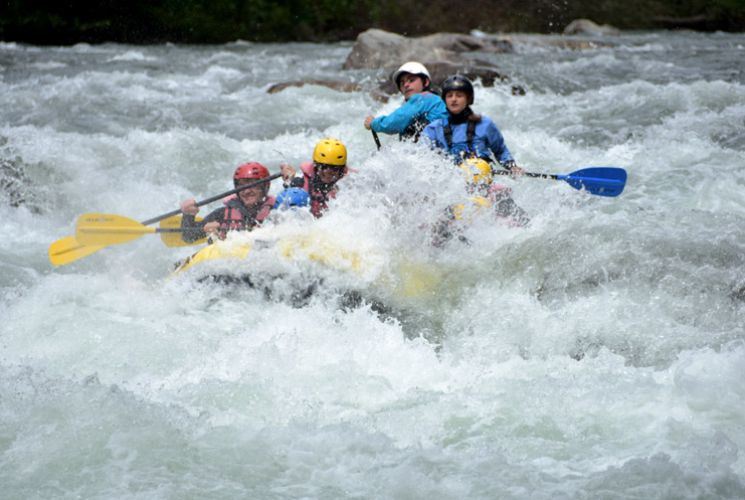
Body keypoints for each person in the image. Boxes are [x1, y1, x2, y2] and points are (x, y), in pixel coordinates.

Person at [422, 74, 524, 175]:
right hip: (452, 181)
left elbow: (501, 151)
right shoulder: (433, 129)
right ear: (445, 100)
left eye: (459, 95)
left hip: (483, 182)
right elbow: (423, 159)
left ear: (468, 99)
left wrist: (512, 167)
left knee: (505, 191)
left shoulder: (485, 124)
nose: (454, 99)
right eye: (449, 96)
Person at [432, 158, 529, 247]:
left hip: (479, 241)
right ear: (489, 178)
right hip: (490, 240)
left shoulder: (456, 199)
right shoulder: (500, 195)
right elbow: (523, 219)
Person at [180, 162, 275, 243]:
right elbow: (188, 237)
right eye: (242, 186)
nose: (246, 191)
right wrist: (188, 215)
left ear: (265, 187)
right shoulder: (223, 214)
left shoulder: (277, 210)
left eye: (253, 185)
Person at [363, 62, 448, 142]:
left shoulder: (424, 98)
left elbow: (393, 123)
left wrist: (373, 123)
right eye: (402, 82)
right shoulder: (434, 99)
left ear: (426, 82)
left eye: (411, 80)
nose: (406, 85)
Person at [279, 137, 348, 218]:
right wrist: (289, 180)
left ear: (342, 169)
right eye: (323, 166)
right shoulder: (301, 183)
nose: (327, 171)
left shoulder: (347, 187)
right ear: (315, 165)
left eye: (334, 167)